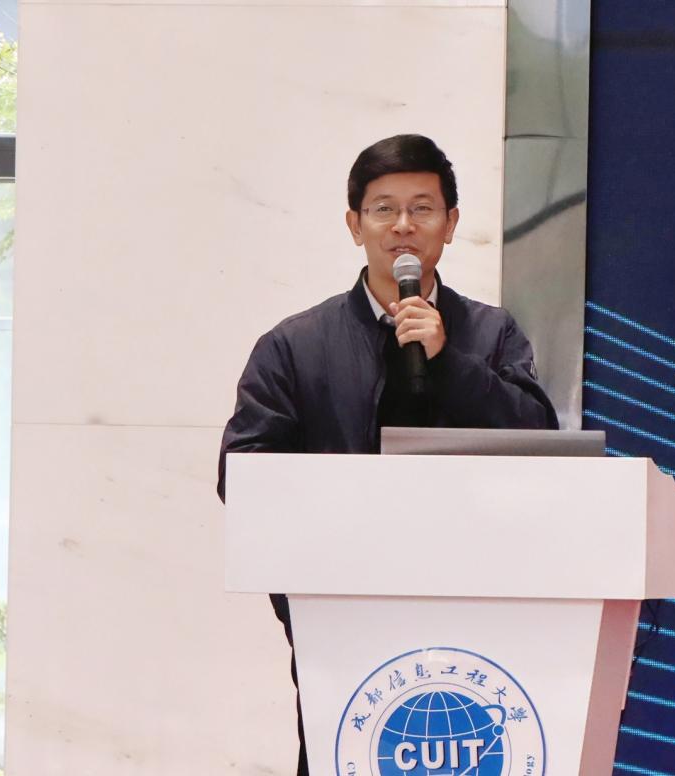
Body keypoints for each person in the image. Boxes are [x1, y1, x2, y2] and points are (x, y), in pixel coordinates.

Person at [216, 134, 557, 775]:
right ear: (355, 225)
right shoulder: (293, 346)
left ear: (450, 224)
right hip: (338, 606)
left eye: (422, 208)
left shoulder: (492, 333)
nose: (403, 226)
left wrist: (450, 361)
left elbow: (538, 439)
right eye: (384, 209)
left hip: (476, 601)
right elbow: (243, 473)